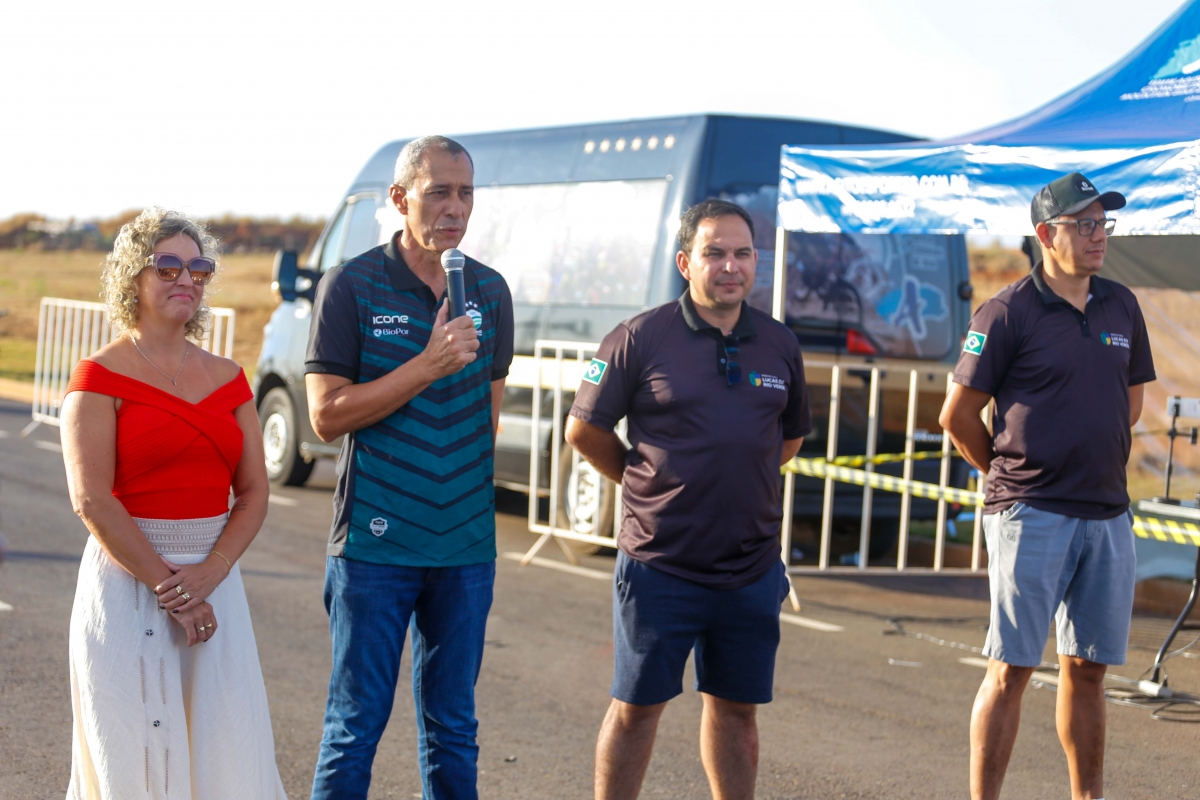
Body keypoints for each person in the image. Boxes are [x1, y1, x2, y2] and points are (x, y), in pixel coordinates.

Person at [567, 199, 811, 800]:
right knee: (636, 708)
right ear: (685, 263)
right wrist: (642, 481)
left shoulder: (780, 343)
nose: (731, 266)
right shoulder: (638, 337)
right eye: (714, 253)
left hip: (750, 567)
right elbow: (583, 430)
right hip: (660, 565)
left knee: (737, 711)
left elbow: (788, 440)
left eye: (743, 254)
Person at [305, 135, 514, 800]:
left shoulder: (490, 290)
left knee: (454, 728)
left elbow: (486, 421)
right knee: (355, 726)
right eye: (438, 193)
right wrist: (426, 365)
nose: (456, 208)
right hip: (375, 545)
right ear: (400, 199)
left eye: (466, 193)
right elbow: (326, 416)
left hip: (464, 548)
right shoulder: (351, 285)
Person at [940, 172, 1155, 800]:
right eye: (1084, 224)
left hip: (1107, 512)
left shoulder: (1122, 305)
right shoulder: (1007, 311)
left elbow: (1129, 404)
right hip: (1031, 513)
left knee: (1087, 670)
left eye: (1103, 223)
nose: (1098, 236)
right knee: (1011, 668)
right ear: (1045, 234)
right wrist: (1010, 480)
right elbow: (957, 416)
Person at [60, 209, 287, 799]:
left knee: (226, 745)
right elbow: (91, 500)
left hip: (215, 585)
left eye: (199, 268)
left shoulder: (231, 379)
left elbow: (254, 492)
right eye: (168, 266)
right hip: (126, 583)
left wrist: (211, 573)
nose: (186, 278)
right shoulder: (97, 378)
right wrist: (173, 591)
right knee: (133, 756)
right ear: (132, 277)